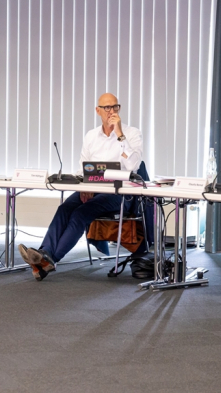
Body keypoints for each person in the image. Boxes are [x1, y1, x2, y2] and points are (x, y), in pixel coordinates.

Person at [18, 93, 143, 281]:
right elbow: (82, 167)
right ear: (98, 110)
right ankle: (44, 254)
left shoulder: (132, 134)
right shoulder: (91, 135)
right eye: (107, 108)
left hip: (121, 192)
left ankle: (50, 259)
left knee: (81, 213)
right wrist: (84, 187)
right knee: (64, 209)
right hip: (93, 187)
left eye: (115, 107)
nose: (111, 111)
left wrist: (120, 135)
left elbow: (134, 166)